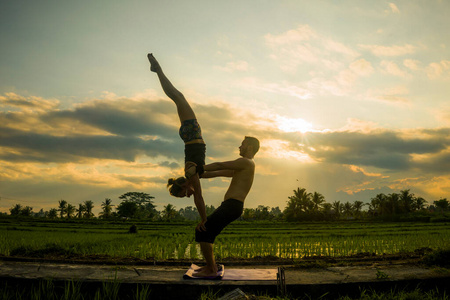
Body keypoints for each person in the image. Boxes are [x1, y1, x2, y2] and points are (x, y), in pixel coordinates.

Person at [147, 53, 207, 228]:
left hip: (192, 134)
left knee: (176, 96)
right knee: (177, 96)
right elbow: (212, 172)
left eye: (184, 194)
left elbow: (199, 198)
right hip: (191, 135)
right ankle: (157, 70)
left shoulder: (191, 174)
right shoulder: (192, 173)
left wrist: (204, 219)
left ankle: (157, 69)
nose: (188, 195)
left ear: (184, 186)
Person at [187, 136, 260, 277]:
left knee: (204, 231)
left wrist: (199, 167)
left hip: (232, 206)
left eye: (242, 144)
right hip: (230, 206)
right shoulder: (243, 166)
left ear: (250, 148)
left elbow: (220, 165)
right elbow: (217, 172)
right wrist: (198, 174)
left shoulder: (246, 162)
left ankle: (211, 269)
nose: (239, 147)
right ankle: (211, 266)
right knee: (206, 231)